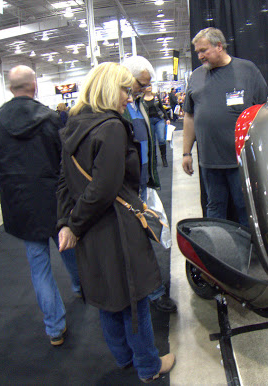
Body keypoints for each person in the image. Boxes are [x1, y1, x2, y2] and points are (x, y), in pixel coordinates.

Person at [56, 62, 175, 382]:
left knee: (107, 298)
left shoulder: (73, 125)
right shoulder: (111, 126)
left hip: (91, 231)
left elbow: (65, 183)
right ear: (111, 88)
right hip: (117, 226)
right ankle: (149, 365)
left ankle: (123, 357)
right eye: (125, 89)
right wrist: (74, 223)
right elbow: (105, 188)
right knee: (134, 300)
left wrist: (68, 223)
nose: (129, 96)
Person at [0, 65, 81, 346]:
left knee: (39, 267)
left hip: (19, 204)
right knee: (67, 246)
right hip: (54, 199)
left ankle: (54, 329)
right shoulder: (51, 119)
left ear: (10, 88)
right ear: (34, 86)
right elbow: (65, 161)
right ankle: (80, 286)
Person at [182, 27, 268, 227]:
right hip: (209, 162)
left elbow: (264, 110)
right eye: (197, 52)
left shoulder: (247, 71)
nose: (200, 56)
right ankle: (219, 254)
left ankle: (248, 254)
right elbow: (189, 116)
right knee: (214, 209)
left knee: (243, 208)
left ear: (219, 46)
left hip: (241, 160)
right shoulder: (196, 76)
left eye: (204, 50)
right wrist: (186, 152)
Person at [122, 55, 177, 314]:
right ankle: (151, 293)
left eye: (146, 85)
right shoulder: (118, 106)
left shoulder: (135, 104)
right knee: (139, 240)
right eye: (141, 83)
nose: (145, 89)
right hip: (127, 188)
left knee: (144, 237)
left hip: (141, 181)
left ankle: (148, 290)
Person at [142, 85, 170, 167]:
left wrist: (167, 118)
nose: (149, 87)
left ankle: (164, 158)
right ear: (143, 88)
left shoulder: (156, 96)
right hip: (149, 121)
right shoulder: (141, 99)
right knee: (152, 141)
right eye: (147, 86)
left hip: (159, 119)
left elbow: (161, 107)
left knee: (161, 139)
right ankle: (154, 159)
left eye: (150, 85)